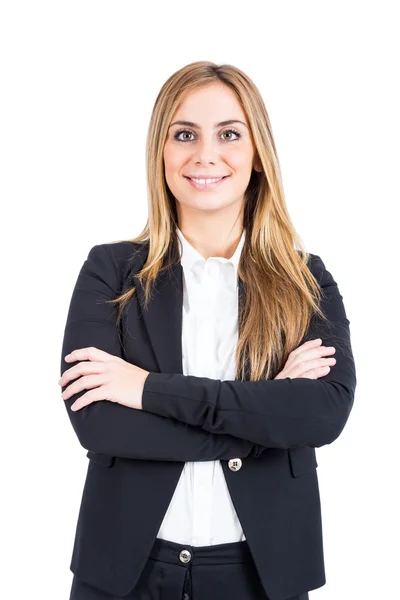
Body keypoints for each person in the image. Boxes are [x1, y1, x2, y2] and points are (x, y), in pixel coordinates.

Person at [59, 60, 356, 600]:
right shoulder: (110, 271)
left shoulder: (306, 280)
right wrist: (265, 414)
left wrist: (145, 390)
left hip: (261, 574)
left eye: (229, 134)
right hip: (126, 571)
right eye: (184, 134)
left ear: (257, 153)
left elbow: (322, 414)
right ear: (162, 151)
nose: (205, 155)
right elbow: (101, 427)